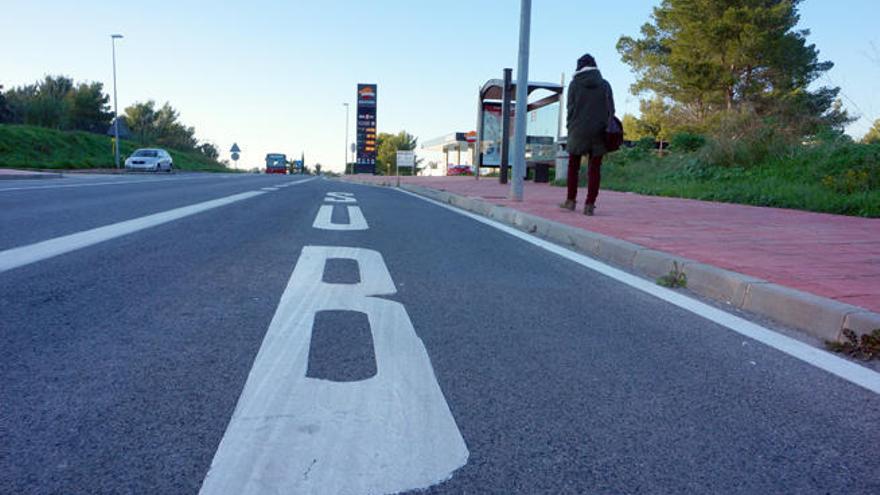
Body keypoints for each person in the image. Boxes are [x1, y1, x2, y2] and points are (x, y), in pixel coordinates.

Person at [561, 54, 615, 216]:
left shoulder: (574, 85)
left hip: (578, 130)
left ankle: (570, 201)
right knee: (595, 169)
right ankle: (590, 204)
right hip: (599, 132)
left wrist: (570, 127)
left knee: (573, 166)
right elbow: (611, 109)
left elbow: (570, 109)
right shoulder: (605, 85)